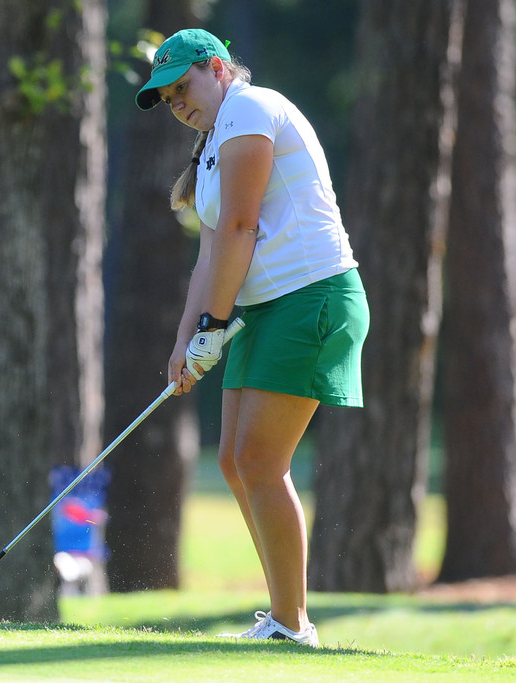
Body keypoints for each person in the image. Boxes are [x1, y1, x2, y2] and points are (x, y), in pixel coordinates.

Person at [136, 29, 370, 646]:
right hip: (266, 309)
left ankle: (294, 625)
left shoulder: (251, 108)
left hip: (311, 297)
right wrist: (186, 340)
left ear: (217, 69)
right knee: (236, 463)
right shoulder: (213, 140)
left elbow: (241, 229)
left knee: (261, 462)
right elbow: (211, 250)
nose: (176, 101)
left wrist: (213, 327)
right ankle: (282, 616)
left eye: (182, 86)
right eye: (166, 96)